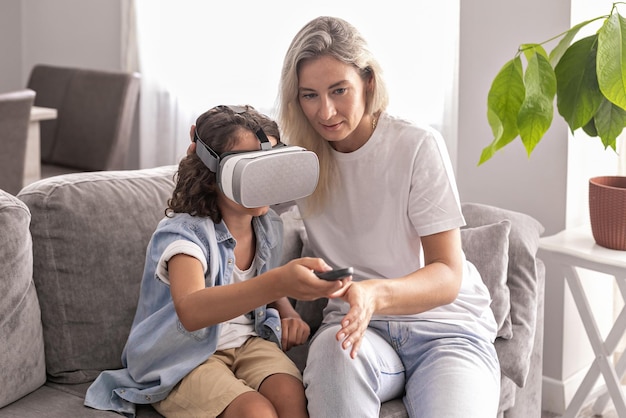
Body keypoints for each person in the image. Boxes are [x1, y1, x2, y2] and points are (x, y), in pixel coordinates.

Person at [276, 16, 501, 417]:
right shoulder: (299, 161)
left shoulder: (417, 146)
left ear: (368, 81)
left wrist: (373, 294)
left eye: (338, 90)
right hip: (354, 328)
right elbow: (236, 214)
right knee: (331, 359)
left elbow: (447, 273)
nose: (325, 111)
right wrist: (206, 159)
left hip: (447, 331)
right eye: (309, 95)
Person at [84, 105, 351, 418]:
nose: (264, 180)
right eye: (250, 167)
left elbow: (263, 275)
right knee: (256, 413)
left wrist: (288, 311)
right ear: (213, 171)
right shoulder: (184, 236)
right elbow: (192, 310)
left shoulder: (268, 225)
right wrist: (278, 283)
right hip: (184, 356)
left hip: (251, 342)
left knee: (292, 401)